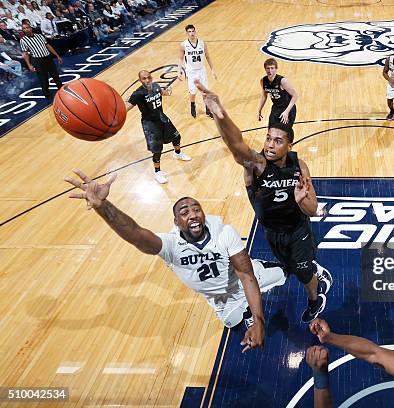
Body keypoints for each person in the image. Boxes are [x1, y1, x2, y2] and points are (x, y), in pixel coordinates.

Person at [64, 169, 287, 352]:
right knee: (234, 323)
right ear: (176, 221)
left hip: (244, 280)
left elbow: (246, 276)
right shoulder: (171, 245)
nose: (192, 214)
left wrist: (259, 322)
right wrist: (104, 207)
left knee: (284, 274)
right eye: (184, 211)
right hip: (221, 300)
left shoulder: (224, 232)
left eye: (196, 209)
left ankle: (290, 272)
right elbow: (135, 234)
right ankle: (245, 311)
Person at [193, 81, 332, 323]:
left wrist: (301, 201)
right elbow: (236, 145)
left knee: (301, 272)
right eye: (268, 138)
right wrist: (220, 113)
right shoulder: (256, 165)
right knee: (289, 266)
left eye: (278, 141)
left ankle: (314, 298)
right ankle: (312, 269)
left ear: (289, 145)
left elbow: (312, 209)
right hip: (272, 233)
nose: (270, 144)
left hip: (297, 231)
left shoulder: (299, 167)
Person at [125, 70, 192, 184]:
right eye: (144, 78)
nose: (147, 80)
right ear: (140, 80)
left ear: (151, 77)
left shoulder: (156, 86)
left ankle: (177, 153)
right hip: (149, 123)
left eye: (148, 77)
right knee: (157, 149)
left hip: (161, 117)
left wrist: (170, 89)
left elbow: (163, 92)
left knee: (177, 137)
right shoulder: (138, 94)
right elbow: (127, 107)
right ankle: (157, 172)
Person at [178, 24, 217, 118]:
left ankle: (208, 109)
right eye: (189, 32)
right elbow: (180, 58)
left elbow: (208, 57)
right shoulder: (183, 45)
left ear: (195, 31)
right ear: (187, 33)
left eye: (193, 31)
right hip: (191, 71)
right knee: (193, 92)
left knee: (205, 91)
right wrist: (178, 71)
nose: (191, 33)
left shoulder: (202, 43)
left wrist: (213, 70)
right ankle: (192, 105)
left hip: (201, 70)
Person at [19, 21, 63, 99]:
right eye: (24, 29)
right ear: (23, 30)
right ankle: (47, 95)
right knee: (43, 78)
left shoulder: (40, 36)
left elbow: (48, 46)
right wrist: (29, 65)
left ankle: (61, 89)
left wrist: (57, 56)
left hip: (48, 57)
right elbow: (25, 53)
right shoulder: (23, 40)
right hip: (37, 60)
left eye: (27, 27)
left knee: (55, 74)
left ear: (31, 28)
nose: (26, 29)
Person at [257, 58, 298, 126]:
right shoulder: (263, 81)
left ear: (276, 69)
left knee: (284, 134)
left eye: (272, 68)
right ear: (265, 69)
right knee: (271, 131)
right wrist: (259, 110)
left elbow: (295, 95)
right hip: (276, 108)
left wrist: (286, 112)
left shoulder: (282, 81)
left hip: (288, 108)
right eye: (268, 68)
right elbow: (264, 96)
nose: (270, 71)